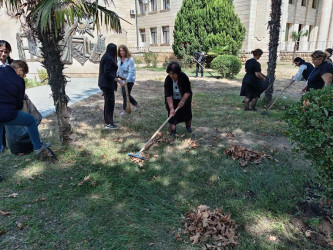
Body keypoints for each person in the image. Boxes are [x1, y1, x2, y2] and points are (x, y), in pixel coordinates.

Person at [0, 60, 51, 156]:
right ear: (20, 70)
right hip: (6, 113)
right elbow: (19, 106)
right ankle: (38, 147)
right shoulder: (19, 81)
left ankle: (0, 148)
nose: (24, 76)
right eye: (24, 74)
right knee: (31, 120)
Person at [98, 43, 124, 130]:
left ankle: (109, 121)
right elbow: (107, 72)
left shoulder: (107, 56)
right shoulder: (108, 58)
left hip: (107, 84)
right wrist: (118, 80)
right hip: (107, 84)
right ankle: (108, 123)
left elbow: (111, 71)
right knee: (109, 103)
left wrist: (119, 77)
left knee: (109, 103)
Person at [164, 62, 193, 136]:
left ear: (178, 72)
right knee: (172, 115)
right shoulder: (168, 80)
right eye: (170, 73)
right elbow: (168, 95)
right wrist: (171, 108)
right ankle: (173, 131)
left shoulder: (184, 77)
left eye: (173, 74)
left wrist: (182, 101)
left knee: (187, 113)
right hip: (173, 99)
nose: (171, 75)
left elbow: (187, 91)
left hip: (184, 98)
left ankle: (188, 127)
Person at [117, 44, 140, 115]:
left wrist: (127, 80)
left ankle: (124, 110)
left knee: (125, 94)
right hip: (122, 80)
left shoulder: (130, 60)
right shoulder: (118, 59)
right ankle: (136, 104)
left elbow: (131, 71)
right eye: (120, 51)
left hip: (129, 80)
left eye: (123, 51)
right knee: (126, 94)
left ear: (126, 51)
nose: (122, 52)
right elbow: (117, 69)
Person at [0, 40, 14, 152]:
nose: (4, 54)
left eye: (6, 51)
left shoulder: (13, 64)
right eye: (1, 51)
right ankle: (1, 145)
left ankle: (16, 142)